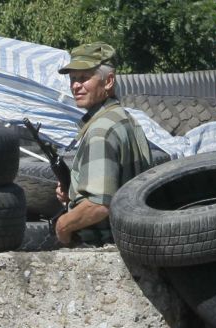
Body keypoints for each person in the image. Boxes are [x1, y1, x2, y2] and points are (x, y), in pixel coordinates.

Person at [54, 42, 152, 246]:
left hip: (102, 249)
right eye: (72, 79)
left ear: (108, 81)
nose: (75, 86)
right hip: (131, 243)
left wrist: (62, 226)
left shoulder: (101, 131)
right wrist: (73, 194)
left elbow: (98, 205)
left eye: (84, 78)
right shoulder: (124, 119)